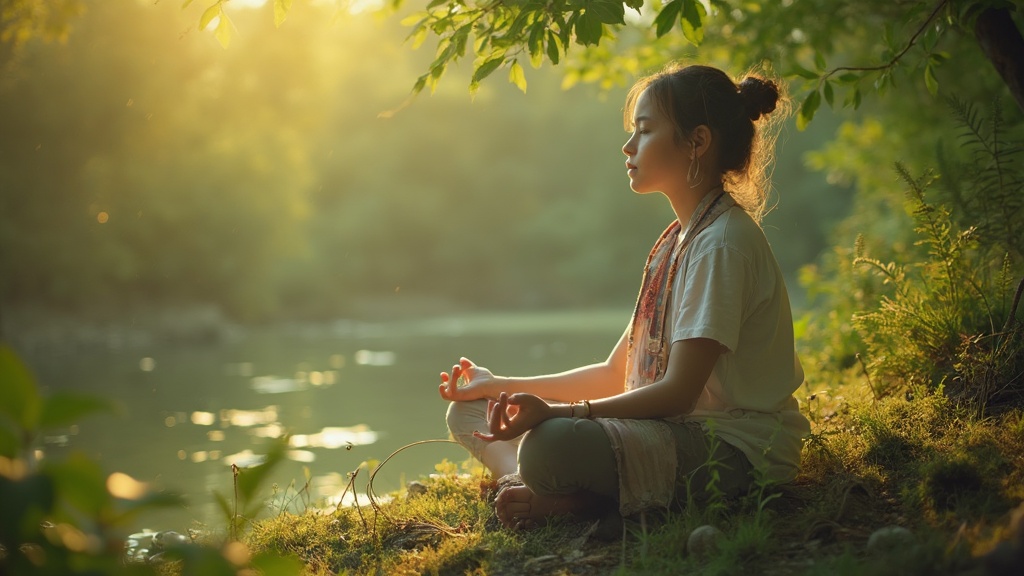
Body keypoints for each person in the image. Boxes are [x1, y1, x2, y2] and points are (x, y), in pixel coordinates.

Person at [438, 63, 810, 530]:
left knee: (549, 444)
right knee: (468, 410)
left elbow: (677, 394)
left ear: (697, 142)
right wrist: (496, 386)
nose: (628, 146)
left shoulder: (722, 244)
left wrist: (557, 414)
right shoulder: (675, 241)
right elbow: (617, 373)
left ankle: (565, 495)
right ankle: (529, 483)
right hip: (666, 433)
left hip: (735, 450)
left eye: (646, 130)